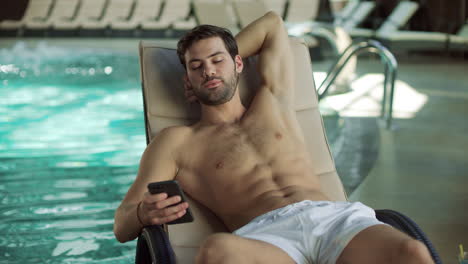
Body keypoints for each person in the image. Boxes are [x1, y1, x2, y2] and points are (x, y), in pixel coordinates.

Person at [114, 12, 434, 264]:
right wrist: (143, 214)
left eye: (217, 60)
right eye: (196, 67)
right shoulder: (177, 141)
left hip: (332, 220)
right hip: (265, 237)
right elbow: (121, 225)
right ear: (188, 79)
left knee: (413, 254)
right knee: (216, 251)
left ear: (239, 62)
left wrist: (222, 53)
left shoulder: (273, 100)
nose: (208, 71)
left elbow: (272, 25)